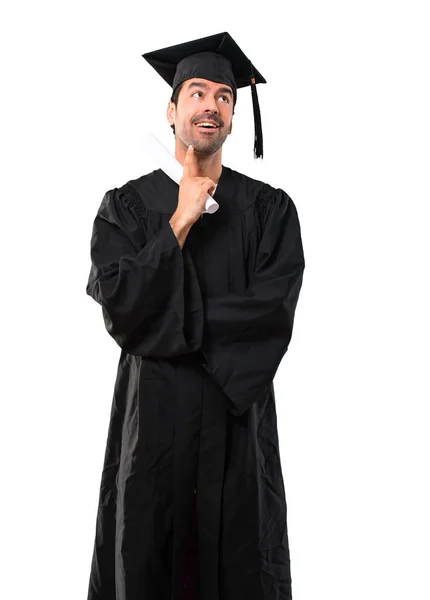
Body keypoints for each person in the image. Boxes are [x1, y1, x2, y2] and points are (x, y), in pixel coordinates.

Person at [85, 31, 305, 600]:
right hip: (151, 429)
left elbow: (270, 315)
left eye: (224, 97)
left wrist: (168, 321)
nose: (211, 105)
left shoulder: (269, 211)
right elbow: (123, 309)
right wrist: (179, 221)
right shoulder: (127, 207)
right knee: (146, 561)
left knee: (238, 564)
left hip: (236, 428)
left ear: (233, 113)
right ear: (173, 109)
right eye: (197, 93)